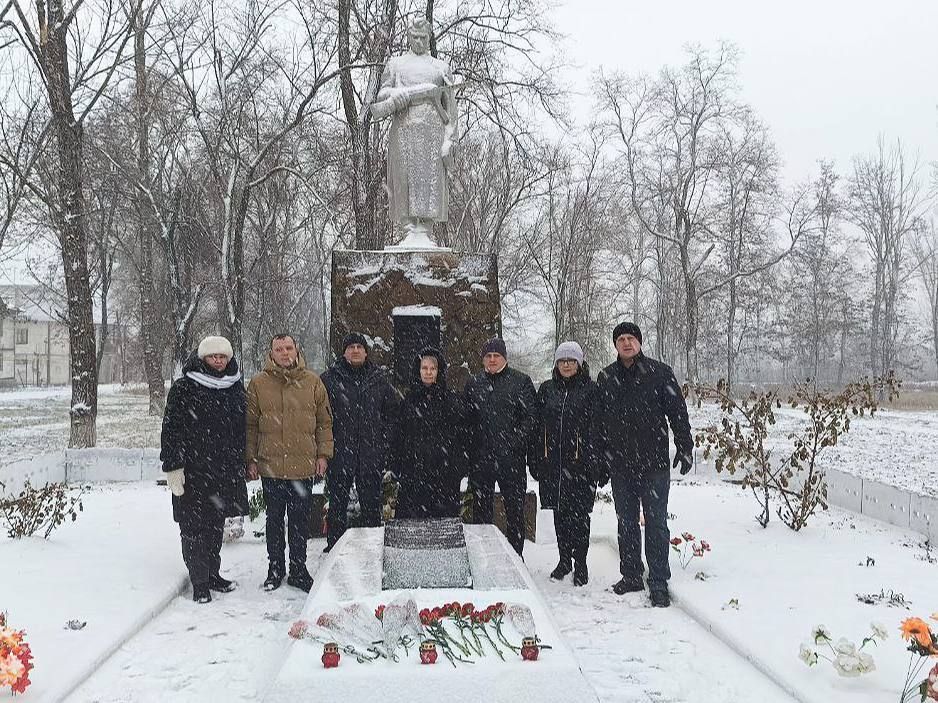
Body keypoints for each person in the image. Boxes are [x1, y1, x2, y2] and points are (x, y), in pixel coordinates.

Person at [592, 322, 693, 607]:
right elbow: (599, 422)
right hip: (621, 466)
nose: (626, 343)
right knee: (626, 523)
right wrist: (600, 459)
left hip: (653, 465)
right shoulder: (607, 377)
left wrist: (685, 446)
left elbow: (677, 412)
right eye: (621, 339)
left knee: (656, 523)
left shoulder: (659, 373)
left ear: (639, 342)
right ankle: (632, 575)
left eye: (631, 338)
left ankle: (658, 581)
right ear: (615, 344)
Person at [160, 336, 249, 604]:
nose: (218, 361)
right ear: (202, 358)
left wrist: (242, 462)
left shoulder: (234, 386)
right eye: (213, 356)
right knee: (193, 527)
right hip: (194, 471)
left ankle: (212, 574)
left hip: (223, 471)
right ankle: (199, 581)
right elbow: (171, 429)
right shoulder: (185, 387)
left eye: (223, 357)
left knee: (215, 525)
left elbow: (241, 430)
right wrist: (173, 467)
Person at [246, 334, 334, 593]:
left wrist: (323, 455)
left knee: (299, 521)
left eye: (288, 348)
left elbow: (324, 423)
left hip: (302, 466)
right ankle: (275, 568)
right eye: (279, 349)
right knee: (274, 520)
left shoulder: (312, 382)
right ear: (271, 353)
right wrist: (250, 459)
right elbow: (250, 426)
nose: (284, 353)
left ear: (297, 350)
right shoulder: (259, 384)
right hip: (271, 467)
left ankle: (298, 569)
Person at [374, 17, 456, 241]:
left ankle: (425, 229)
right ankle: (408, 228)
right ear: (408, 37)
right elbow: (382, 95)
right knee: (404, 178)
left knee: (430, 181)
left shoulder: (441, 68)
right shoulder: (396, 64)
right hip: (403, 128)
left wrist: (450, 139)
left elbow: (451, 108)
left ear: (429, 38)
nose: (419, 41)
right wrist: (395, 95)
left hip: (432, 130)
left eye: (423, 37)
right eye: (415, 37)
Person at [321, 333, 400, 550]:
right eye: (351, 347)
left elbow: (391, 415)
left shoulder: (379, 379)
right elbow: (321, 416)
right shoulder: (329, 379)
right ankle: (335, 547)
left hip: (370, 454)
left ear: (366, 352)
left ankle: (372, 547)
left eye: (359, 347)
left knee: (371, 506)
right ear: (344, 352)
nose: (355, 350)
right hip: (340, 453)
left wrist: (383, 444)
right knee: (337, 505)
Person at [531, 341, 596, 587]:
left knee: (580, 517)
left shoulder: (590, 390)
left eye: (571, 361)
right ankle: (564, 560)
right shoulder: (547, 390)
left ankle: (581, 564)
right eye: (562, 361)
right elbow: (537, 427)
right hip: (553, 465)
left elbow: (598, 429)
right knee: (559, 514)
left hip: (581, 465)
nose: (566, 365)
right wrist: (536, 459)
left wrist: (597, 463)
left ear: (579, 363)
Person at [464, 337, 537, 556]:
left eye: (496, 355)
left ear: (504, 357)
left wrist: (513, 443)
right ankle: (484, 557)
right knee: (481, 514)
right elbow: (466, 419)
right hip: (481, 460)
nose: (492, 360)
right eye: (488, 356)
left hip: (511, 460)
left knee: (514, 513)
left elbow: (530, 418)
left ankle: (516, 557)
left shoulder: (520, 382)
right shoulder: (474, 383)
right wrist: (472, 447)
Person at [391, 347, 468, 519]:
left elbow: (462, 436)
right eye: (424, 368)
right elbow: (398, 436)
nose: (428, 372)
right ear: (418, 370)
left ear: (439, 371)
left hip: (444, 476)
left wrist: (458, 466)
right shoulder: (408, 402)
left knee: (443, 525)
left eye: (433, 368)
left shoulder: (451, 401)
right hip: (413, 474)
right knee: (412, 525)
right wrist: (397, 466)